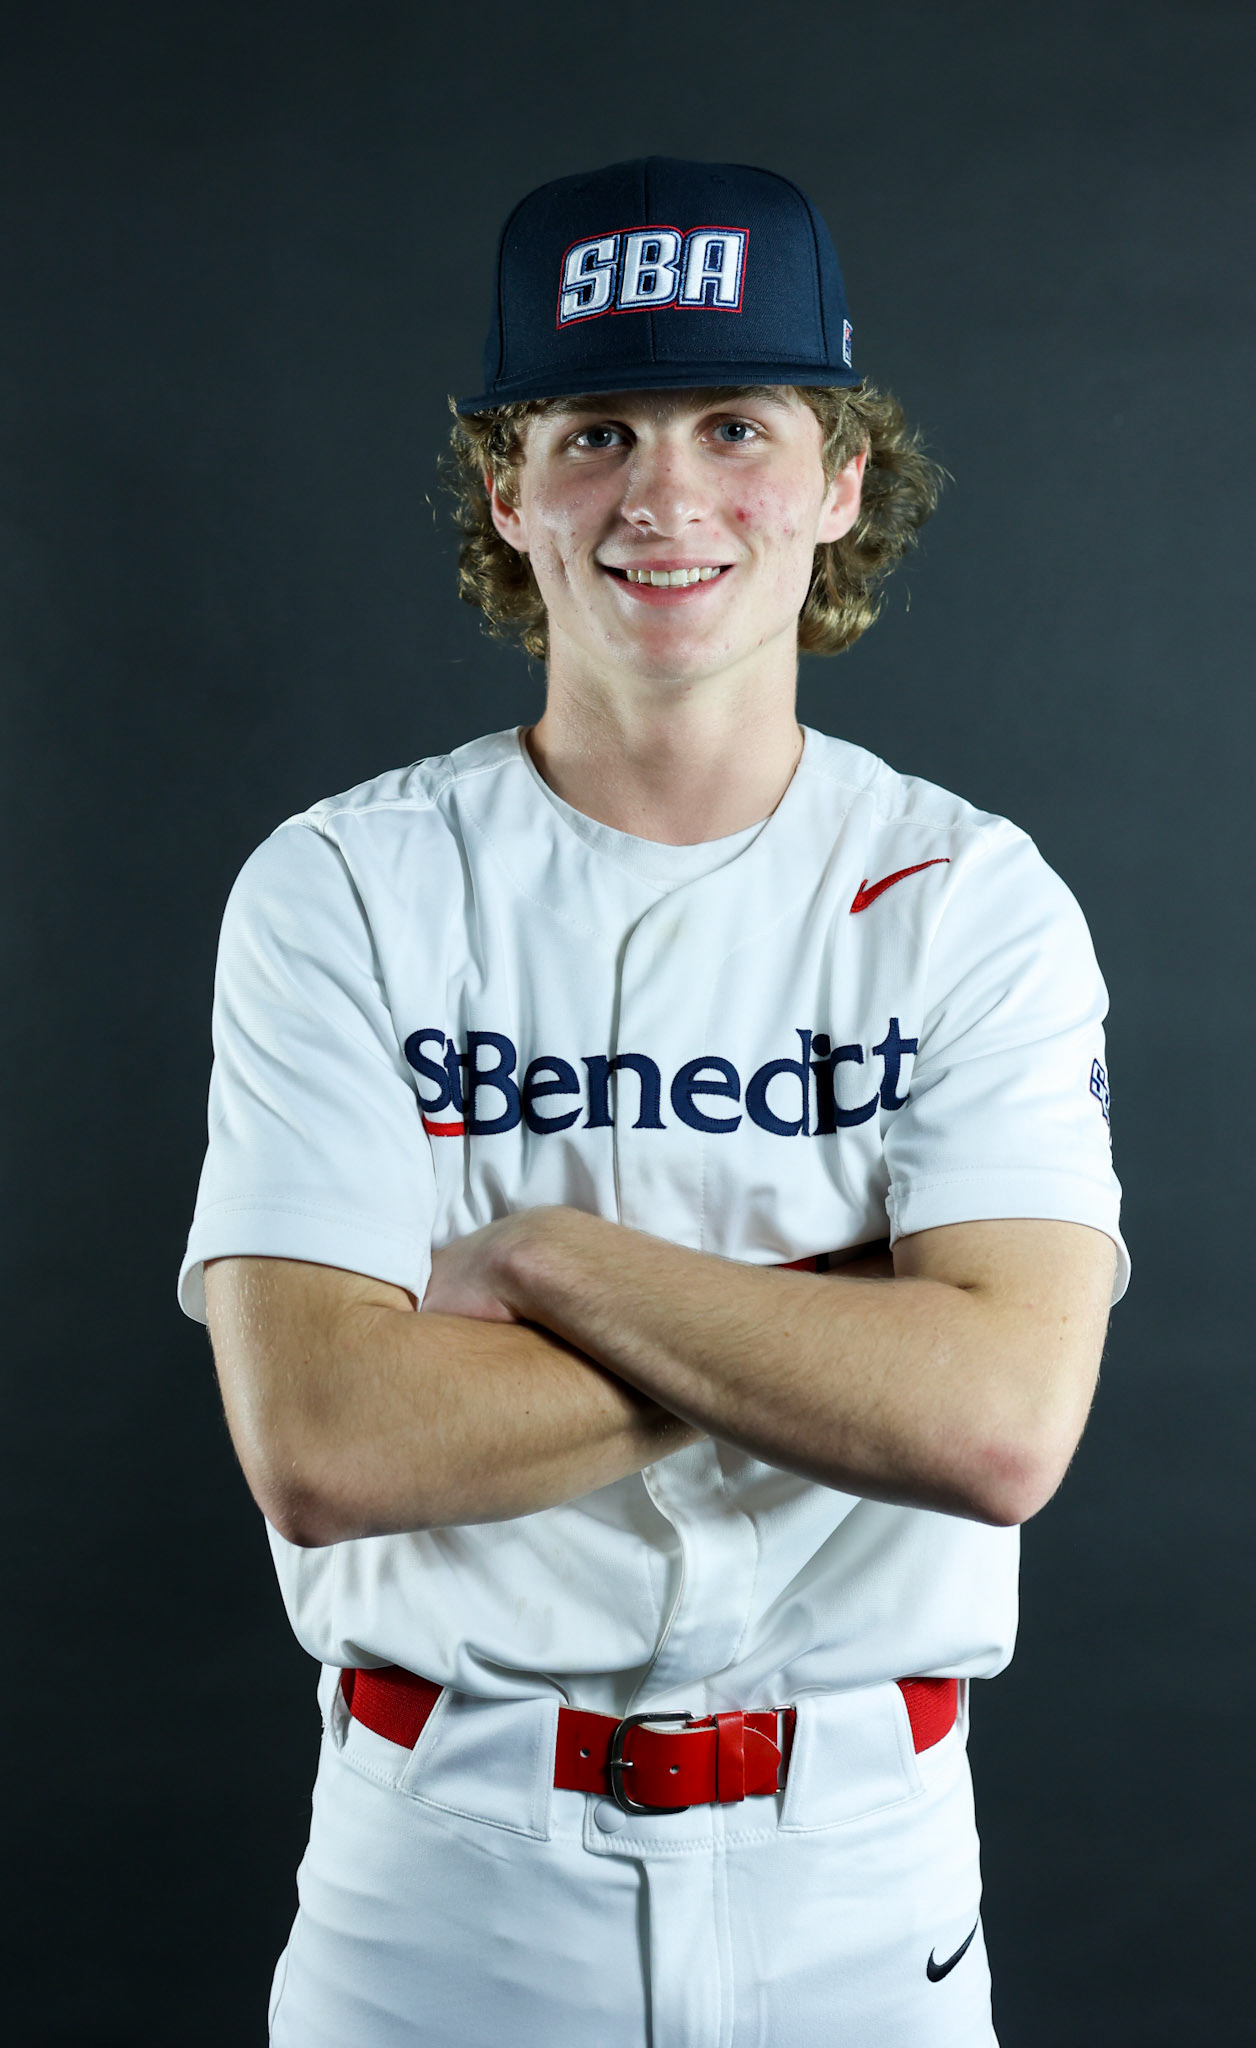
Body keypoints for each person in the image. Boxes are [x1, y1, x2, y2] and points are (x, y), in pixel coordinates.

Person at [181, 156, 1128, 2046]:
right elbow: (331, 1440)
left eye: (736, 423)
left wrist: (541, 1260)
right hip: (443, 1877)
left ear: (841, 478)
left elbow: (1003, 1428)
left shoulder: (970, 898)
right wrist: (847, 1332)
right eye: (595, 428)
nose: (667, 496)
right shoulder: (345, 884)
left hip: (859, 1875)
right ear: (505, 490)